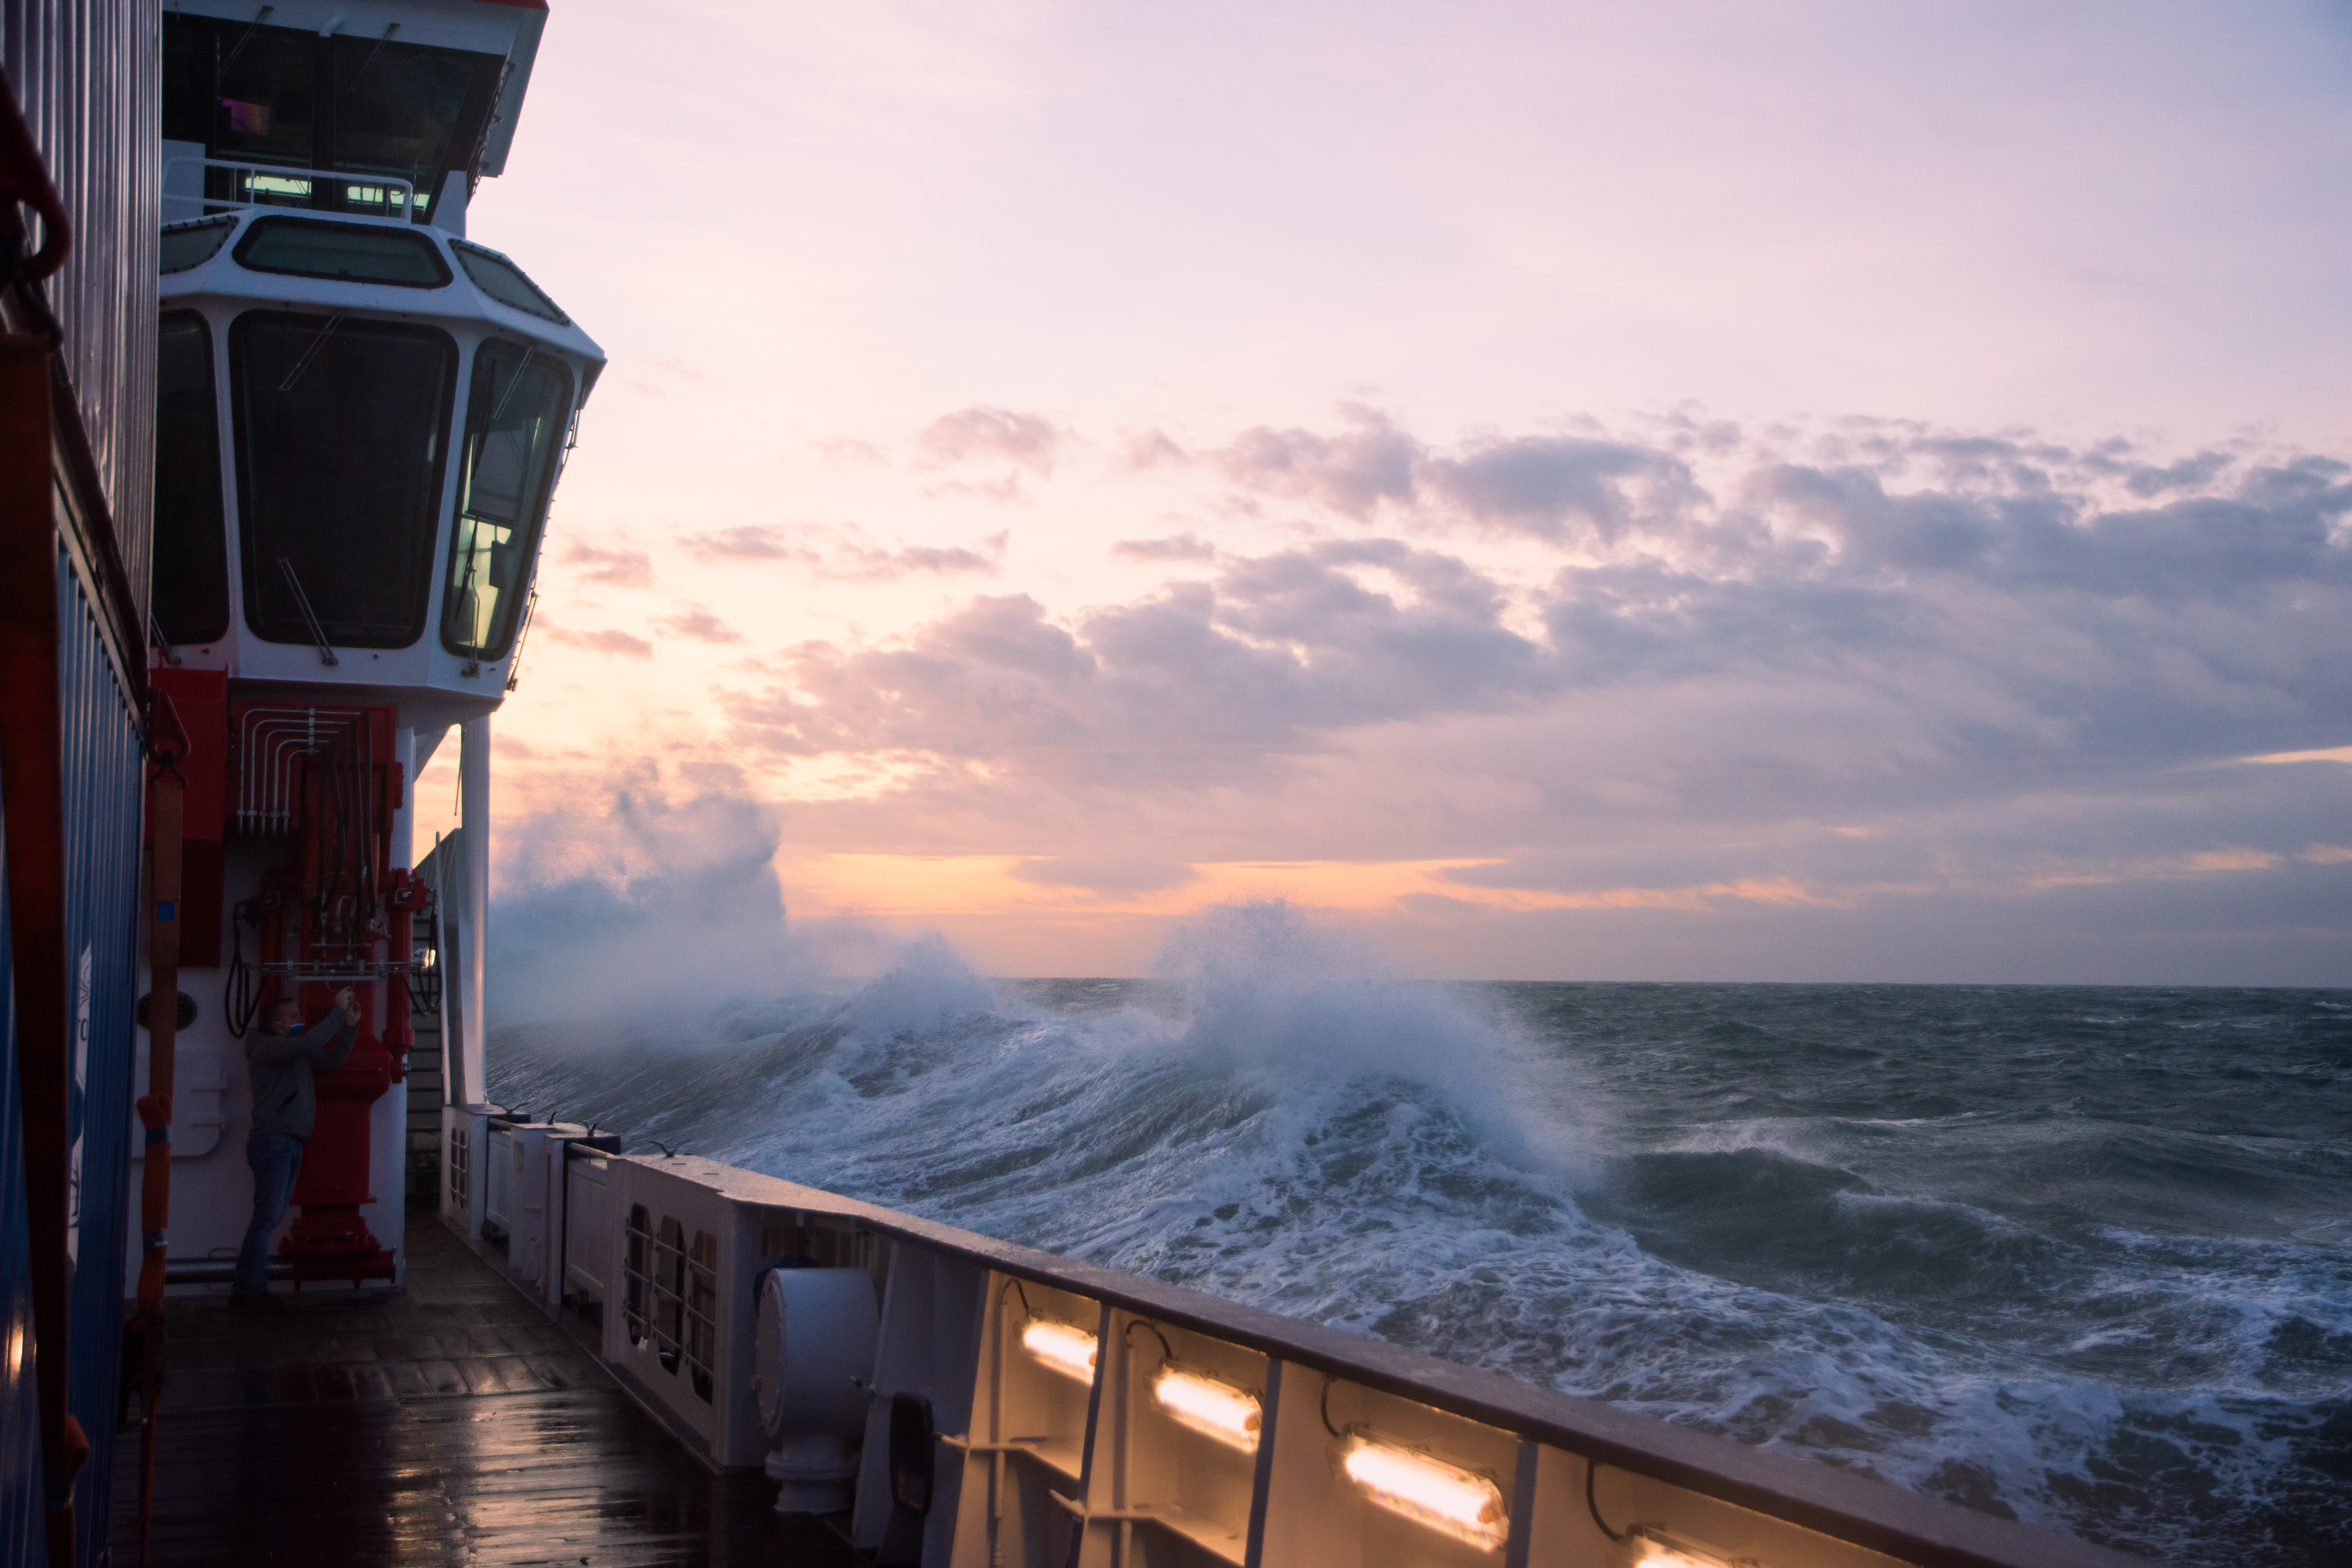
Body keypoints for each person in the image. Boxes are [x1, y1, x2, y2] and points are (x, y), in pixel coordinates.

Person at [230, 985, 359, 1310]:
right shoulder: (269, 1050)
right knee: (266, 1221)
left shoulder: (293, 1049)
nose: (301, 1019)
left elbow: (332, 1060)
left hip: (285, 1143)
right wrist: (338, 1013)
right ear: (276, 1026)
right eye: (293, 1016)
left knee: (265, 1220)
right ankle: (252, 1292)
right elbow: (311, 1042)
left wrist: (350, 1027)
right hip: (274, 1143)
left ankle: (246, 1289)